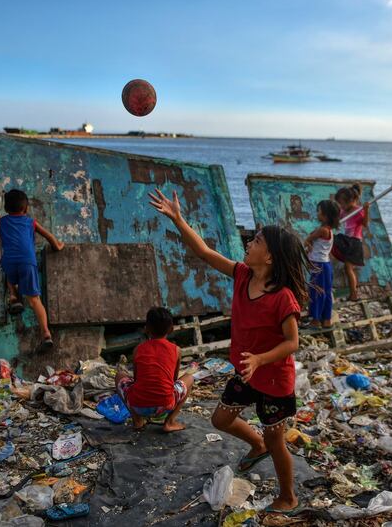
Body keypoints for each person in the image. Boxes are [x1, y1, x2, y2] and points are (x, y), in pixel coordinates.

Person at [149, 188, 310, 515]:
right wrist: (179, 219)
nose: (249, 243)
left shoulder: (283, 298)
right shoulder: (241, 275)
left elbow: (292, 343)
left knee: (278, 440)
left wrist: (261, 359)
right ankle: (256, 444)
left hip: (275, 380)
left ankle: (288, 496)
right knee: (221, 418)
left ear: (270, 257)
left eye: (257, 241)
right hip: (247, 372)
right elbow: (205, 253)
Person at [0, 189, 64, 351]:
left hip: (9, 261)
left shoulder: (2, 222)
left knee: (9, 277)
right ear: (26, 208)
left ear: (6, 209)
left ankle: (14, 297)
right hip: (27, 262)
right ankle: (46, 334)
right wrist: (57, 246)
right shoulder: (30, 222)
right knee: (35, 300)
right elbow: (48, 235)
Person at [114, 307, 195, 432]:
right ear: (171, 329)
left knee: (119, 375)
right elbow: (173, 380)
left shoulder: (138, 349)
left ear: (146, 329)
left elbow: (136, 380)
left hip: (138, 406)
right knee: (189, 378)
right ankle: (169, 422)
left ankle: (138, 421)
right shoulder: (176, 350)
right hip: (166, 405)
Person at [304, 199, 340, 328]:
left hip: (318, 266)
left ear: (325, 215)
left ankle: (315, 320)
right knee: (326, 292)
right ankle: (326, 320)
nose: (317, 213)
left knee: (316, 292)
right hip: (325, 265)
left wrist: (308, 245)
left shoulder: (322, 230)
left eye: (319, 211)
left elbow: (307, 240)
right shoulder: (328, 230)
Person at [332, 184, 370, 301]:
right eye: (339, 203)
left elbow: (365, 224)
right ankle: (352, 293)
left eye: (342, 203)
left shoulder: (358, 211)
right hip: (346, 240)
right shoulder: (344, 210)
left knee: (349, 269)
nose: (341, 206)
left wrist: (366, 210)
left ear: (352, 200)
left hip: (354, 242)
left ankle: (354, 294)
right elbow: (338, 220)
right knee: (331, 239)